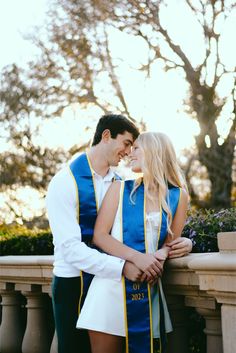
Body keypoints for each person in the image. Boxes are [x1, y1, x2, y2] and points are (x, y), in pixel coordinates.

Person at [77, 131, 191, 353]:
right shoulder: (119, 188)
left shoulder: (178, 196)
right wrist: (136, 257)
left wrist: (182, 245)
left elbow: (169, 243)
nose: (130, 153)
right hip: (110, 289)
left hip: (148, 292)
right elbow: (100, 236)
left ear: (154, 152)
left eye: (137, 148)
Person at [46, 114, 146, 353]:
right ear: (106, 135)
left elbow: (141, 228)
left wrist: (183, 241)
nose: (128, 151)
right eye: (126, 143)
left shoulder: (122, 183)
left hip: (108, 284)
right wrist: (121, 267)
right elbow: (70, 249)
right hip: (73, 284)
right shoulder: (64, 182)